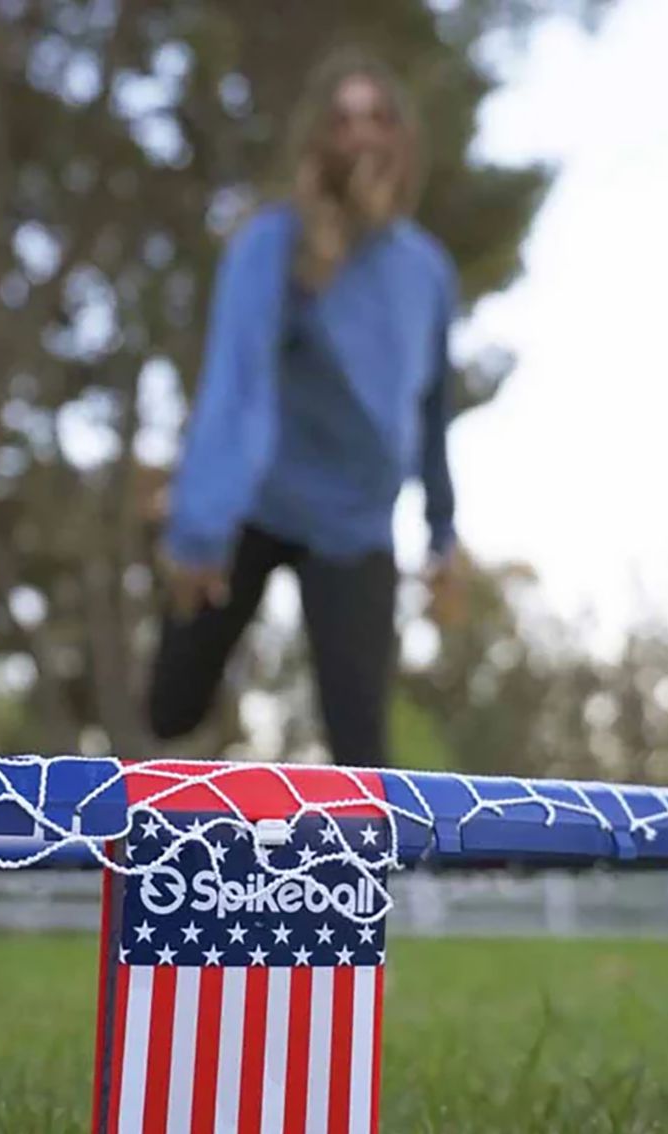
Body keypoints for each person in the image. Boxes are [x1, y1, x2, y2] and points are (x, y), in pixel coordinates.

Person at [148, 49, 464, 767]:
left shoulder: (427, 273)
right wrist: (199, 531)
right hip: (251, 507)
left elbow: (433, 410)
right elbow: (236, 383)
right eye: (342, 119)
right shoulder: (272, 243)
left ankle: (355, 879)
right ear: (319, 138)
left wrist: (442, 531)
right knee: (171, 709)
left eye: (377, 118)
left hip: (354, 525)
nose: (360, 136)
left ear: (403, 139)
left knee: (361, 750)